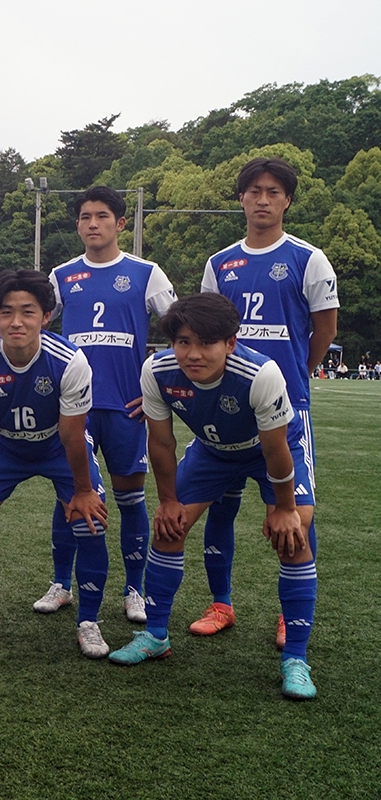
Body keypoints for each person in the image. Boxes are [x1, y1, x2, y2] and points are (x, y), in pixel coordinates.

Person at [108, 293, 318, 700]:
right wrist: (168, 501)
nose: (193, 354)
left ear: (230, 343)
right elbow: (161, 442)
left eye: (206, 343)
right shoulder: (157, 370)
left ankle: (295, 658)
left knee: (295, 536)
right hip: (213, 451)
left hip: (269, 450)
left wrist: (284, 508)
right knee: (169, 528)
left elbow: (276, 449)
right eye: (183, 342)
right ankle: (155, 636)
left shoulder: (260, 374)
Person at [196, 157, 337, 647]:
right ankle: (221, 604)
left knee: (297, 509)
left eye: (273, 191)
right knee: (220, 505)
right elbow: (206, 330)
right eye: (254, 191)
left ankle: (289, 614)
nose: (262, 199)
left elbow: (324, 331)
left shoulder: (308, 258)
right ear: (240, 198)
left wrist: (294, 373)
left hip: (287, 406)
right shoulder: (220, 263)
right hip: (227, 407)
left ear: (287, 200)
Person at [0, 270, 110, 658]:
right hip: (6, 447)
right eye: (6, 312)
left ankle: (89, 621)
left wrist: (83, 491)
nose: (16, 322)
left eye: (27, 312)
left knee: (90, 522)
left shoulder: (70, 360)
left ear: (46, 317)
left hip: (58, 447)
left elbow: (72, 434)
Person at [41, 186, 175, 624]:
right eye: (85, 217)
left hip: (125, 408)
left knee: (130, 498)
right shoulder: (62, 275)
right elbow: (33, 323)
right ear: (77, 225)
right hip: (73, 409)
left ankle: (134, 589)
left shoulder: (146, 273)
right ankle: (61, 583)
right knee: (70, 495)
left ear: (120, 223)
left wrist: (156, 385)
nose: (92, 224)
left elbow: (181, 329)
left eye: (101, 216)